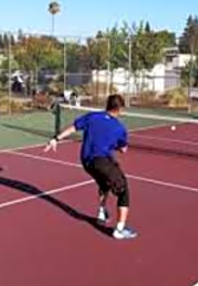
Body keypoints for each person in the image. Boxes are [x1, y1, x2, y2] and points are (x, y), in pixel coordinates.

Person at [44, 94, 137, 240]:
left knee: (105, 183)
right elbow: (123, 149)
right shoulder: (120, 128)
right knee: (123, 190)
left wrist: (56, 139)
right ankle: (120, 230)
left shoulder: (92, 117)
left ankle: (102, 212)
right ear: (119, 109)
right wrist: (119, 144)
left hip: (86, 161)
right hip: (101, 161)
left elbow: (74, 127)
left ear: (107, 105)